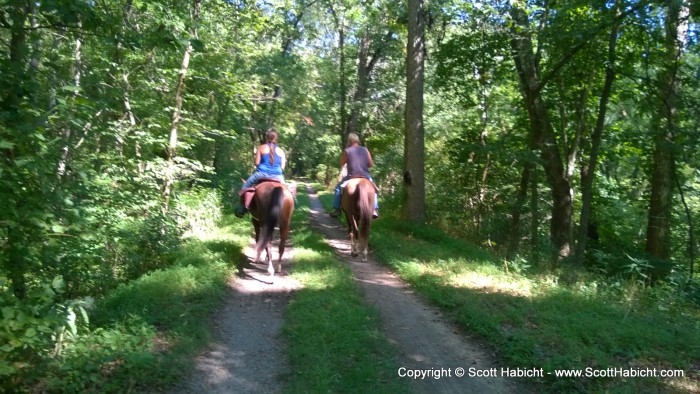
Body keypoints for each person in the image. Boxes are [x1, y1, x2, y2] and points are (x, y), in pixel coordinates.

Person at [235, 129, 287, 217]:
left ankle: (242, 208)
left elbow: (257, 163)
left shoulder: (261, 148)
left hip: (261, 174)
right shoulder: (281, 151)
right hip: (278, 176)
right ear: (277, 138)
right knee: (287, 191)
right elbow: (282, 167)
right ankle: (293, 204)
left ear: (267, 138)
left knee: (245, 186)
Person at [329, 132, 379, 219]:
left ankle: (336, 209)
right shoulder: (365, 150)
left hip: (352, 176)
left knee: (338, 188)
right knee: (373, 188)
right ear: (357, 140)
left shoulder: (347, 151)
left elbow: (341, 163)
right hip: (365, 175)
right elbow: (371, 164)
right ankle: (374, 209)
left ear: (350, 141)